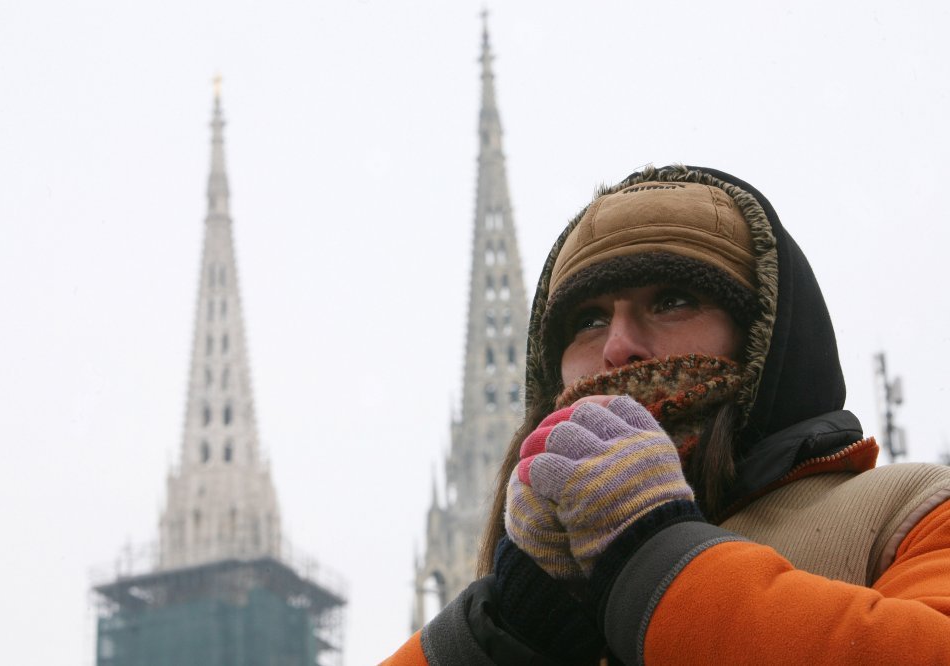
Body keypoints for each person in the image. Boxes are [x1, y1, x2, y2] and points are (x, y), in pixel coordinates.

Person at [384, 164, 950, 665]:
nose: (618, 346)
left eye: (672, 301)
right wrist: (500, 635)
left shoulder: (913, 513)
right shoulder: (536, 579)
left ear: (762, 335)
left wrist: (654, 561)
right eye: (587, 319)